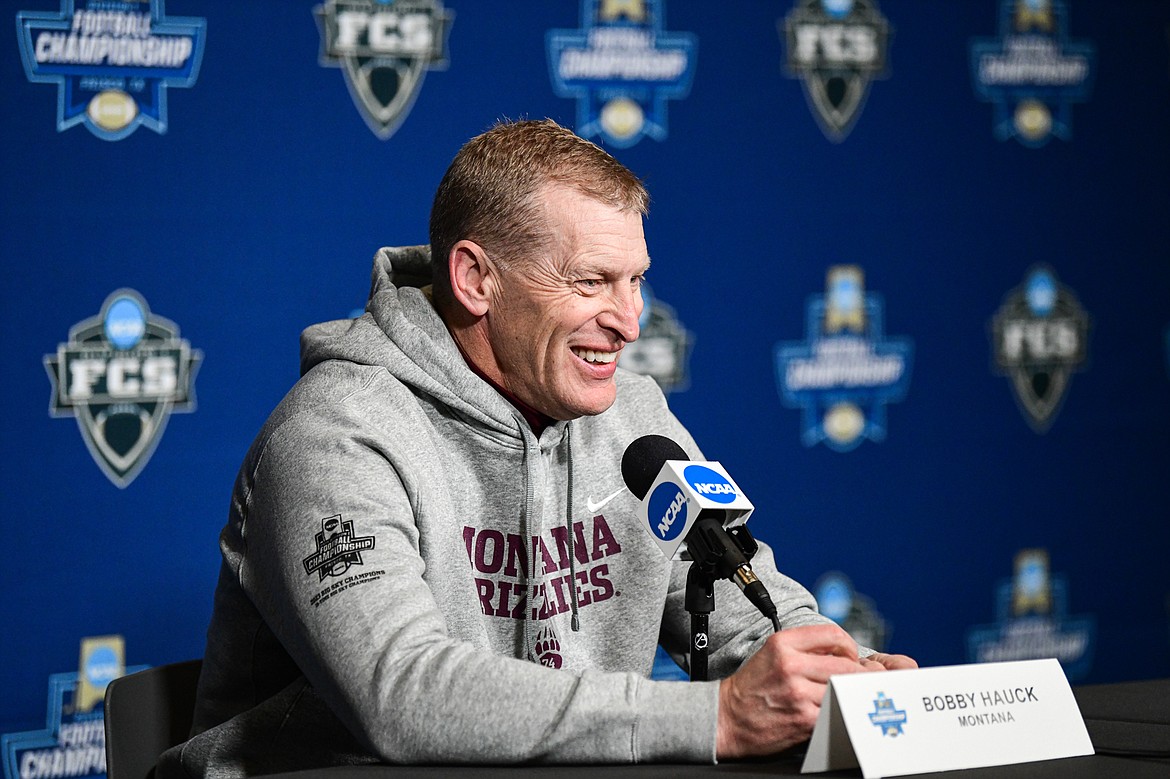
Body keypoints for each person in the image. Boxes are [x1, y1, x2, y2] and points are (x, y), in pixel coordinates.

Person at [161, 119, 914, 777]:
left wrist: (834, 668)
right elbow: (402, 694)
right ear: (476, 278)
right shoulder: (334, 436)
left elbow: (735, 601)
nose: (629, 320)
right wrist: (713, 719)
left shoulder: (632, 416)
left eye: (637, 281)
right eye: (591, 282)